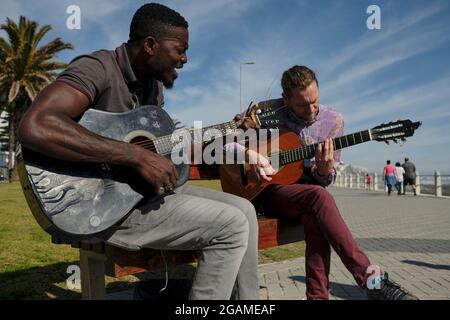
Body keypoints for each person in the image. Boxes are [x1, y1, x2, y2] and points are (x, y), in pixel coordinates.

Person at [17, 3, 259, 300]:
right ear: (150, 45)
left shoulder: (151, 89)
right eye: (179, 50)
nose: (184, 59)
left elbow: (160, 147)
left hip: (141, 197)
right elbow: (37, 124)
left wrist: (224, 133)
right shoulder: (99, 68)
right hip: (100, 206)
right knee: (231, 226)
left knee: (245, 210)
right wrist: (134, 155)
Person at [227, 65, 417, 300]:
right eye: (303, 105)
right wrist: (247, 148)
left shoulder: (333, 121)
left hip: (305, 193)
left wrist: (325, 170)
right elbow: (225, 143)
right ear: (286, 99)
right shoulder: (267, 110)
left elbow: (325, 179)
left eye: (315, 101)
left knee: (315, 210)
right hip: (263, 190)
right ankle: (373, 282)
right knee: (318, 197)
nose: (312, 109)